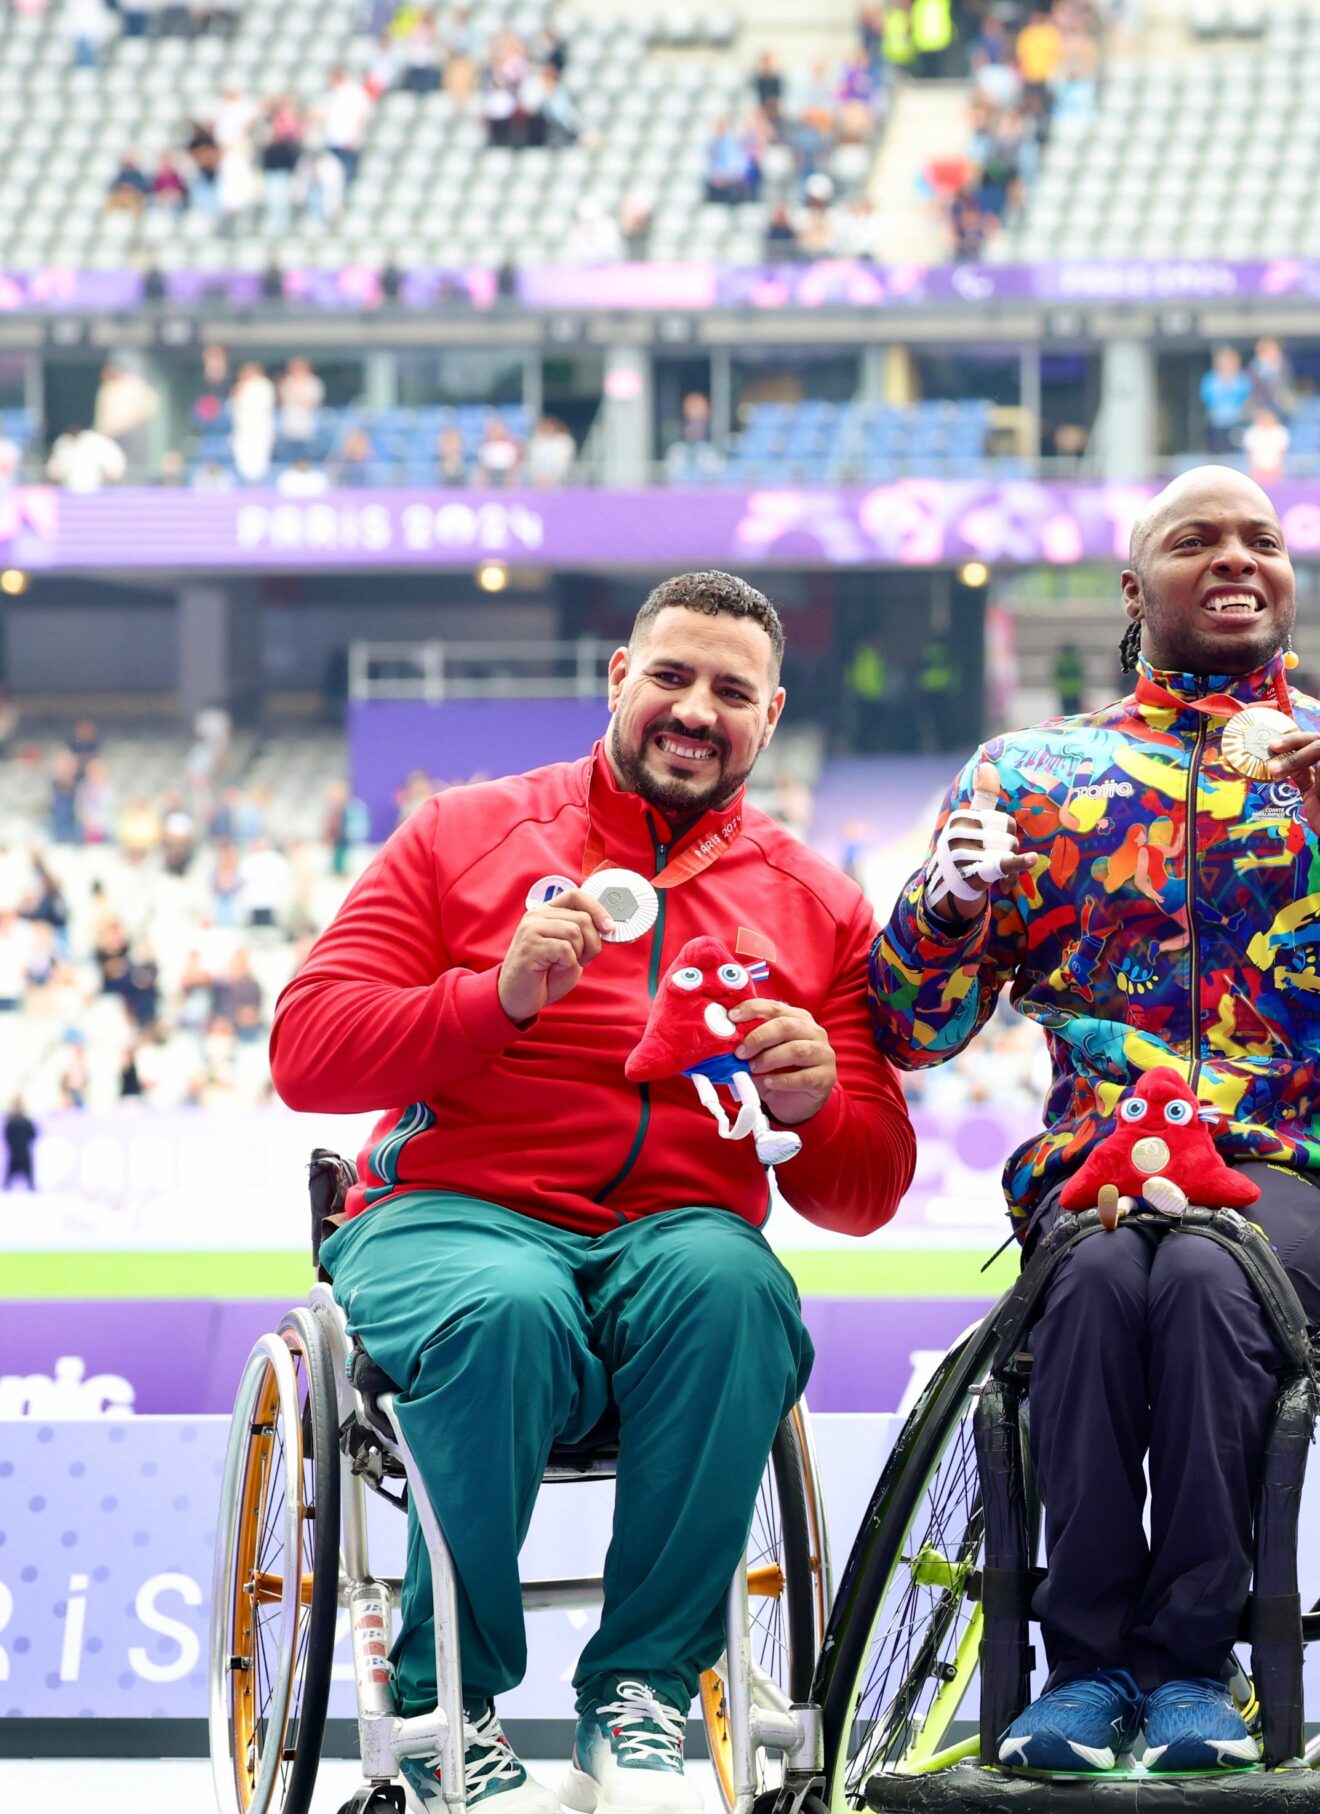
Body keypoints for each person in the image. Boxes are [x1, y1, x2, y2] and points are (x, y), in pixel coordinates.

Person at [870, 466, 1320, 1777]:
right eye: (1197, 540)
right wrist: (947, 908)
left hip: (1308, 1175)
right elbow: (914, 1025)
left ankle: (1195, 1665)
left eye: (1263, 538)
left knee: (1202, 1268)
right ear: (1137, 592)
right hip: (1096, 1173)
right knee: (1090, 1282)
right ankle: (1081, 1676)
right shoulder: (1030, 775)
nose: (1238, 557)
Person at [271, 571, 917, 1813]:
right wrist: (493, 997)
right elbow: (307, 1048)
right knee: (505, 1304)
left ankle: (643, 1690)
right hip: (451, 1212)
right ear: (619, 679)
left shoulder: (820, 902)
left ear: (769, 718)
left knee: (737, 1285)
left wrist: (815, 1101)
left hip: (673, 1240)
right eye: (671, 675)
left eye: (731, 691)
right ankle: (446, 1698)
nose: (695, 708)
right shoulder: (464, 832)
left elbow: (864, 1187)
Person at [3, 1100, 33, 1190]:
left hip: (21, 1153)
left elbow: (33, 1135)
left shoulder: (25, 1122)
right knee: (7, 1183)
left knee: (31, 1182)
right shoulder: (12, 1123)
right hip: (17, 1153)